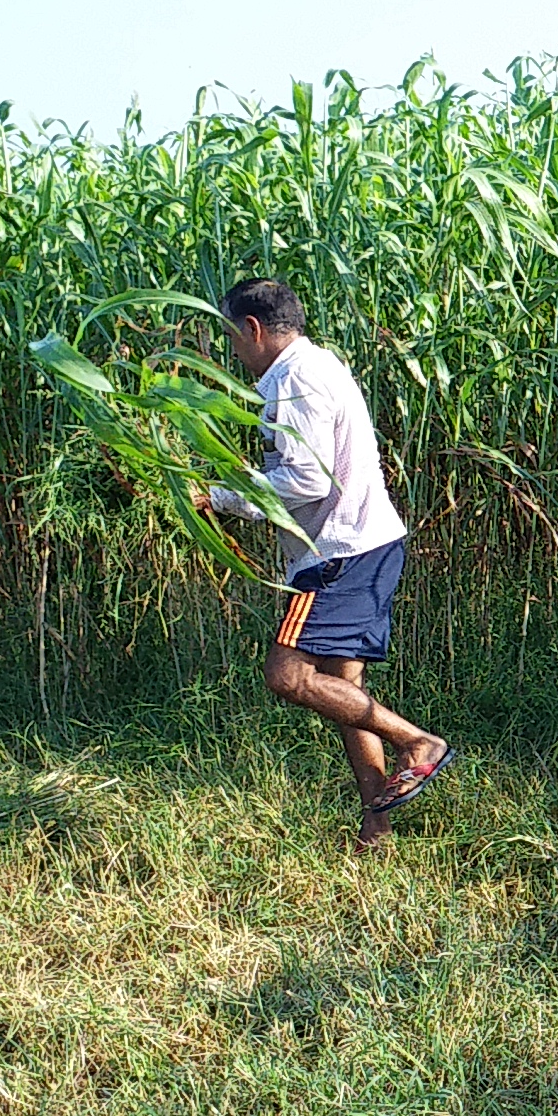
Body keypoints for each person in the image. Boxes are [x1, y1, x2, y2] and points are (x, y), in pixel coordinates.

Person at [196, 278, 449, 847]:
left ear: (253, 329)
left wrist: (222, 497)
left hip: (337, 554)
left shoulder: (294, 379)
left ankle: (418, 741)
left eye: (233, 336)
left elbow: (307, 479)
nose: (234, 350)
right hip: (363, 543)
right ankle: (377, 827)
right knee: (343, 687)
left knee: (286, 676)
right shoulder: (316, 366)